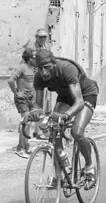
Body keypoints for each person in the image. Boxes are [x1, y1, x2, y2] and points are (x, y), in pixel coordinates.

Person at [29, 49, 99, 189]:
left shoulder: (67, 69)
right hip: (65, 97)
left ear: (54, 64)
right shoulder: (39, 77)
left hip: (85, 95)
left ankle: (90, 168)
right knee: (53, 132)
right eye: (40, 69)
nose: (44, 72)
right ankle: (62, 173)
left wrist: (66, 116)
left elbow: (79, 102)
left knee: (77, 132)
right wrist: (34, 113)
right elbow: (38, 104)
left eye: (47, 67)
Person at [8, 47, 44, 159]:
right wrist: (16, 93)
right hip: (22, 99)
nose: (36, 58)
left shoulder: (34, 68)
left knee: (31, 121)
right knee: (26, 123)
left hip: (31, 98)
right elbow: (10, 80)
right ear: (29, 58)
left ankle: (27, 146)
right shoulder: (22, 67)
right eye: (34, 56)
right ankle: (20, 148)